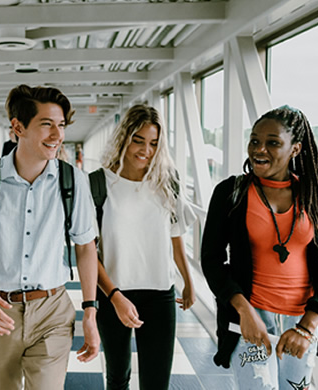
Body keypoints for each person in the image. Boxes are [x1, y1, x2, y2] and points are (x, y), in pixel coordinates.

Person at [0, 84, 100, 390]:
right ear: (18, 127)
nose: (57, 136)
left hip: (52, 310)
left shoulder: (74, 181)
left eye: (61, 125)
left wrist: (89, 310)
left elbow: (86, 247)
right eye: (47, 125)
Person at [201, 105, 318, 389]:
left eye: (273, 143)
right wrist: (245, 312)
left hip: (301, 324)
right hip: (251, 319)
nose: (260, 149)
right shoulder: (230, 194)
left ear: (295, 149)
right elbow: (211, 260)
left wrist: (307, 327)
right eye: (255, 141)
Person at [92, 104, 196, 390]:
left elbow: (175, 235)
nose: (145, 150)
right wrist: (114, 297)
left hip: (160, 294)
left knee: (156, 382)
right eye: (138, 140)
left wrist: (188, 281)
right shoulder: (99, 184)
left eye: (153, 143)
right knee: (117, 378)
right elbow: (88, 253)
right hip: (113, 293)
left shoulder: (167, 182)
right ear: (124, 137)